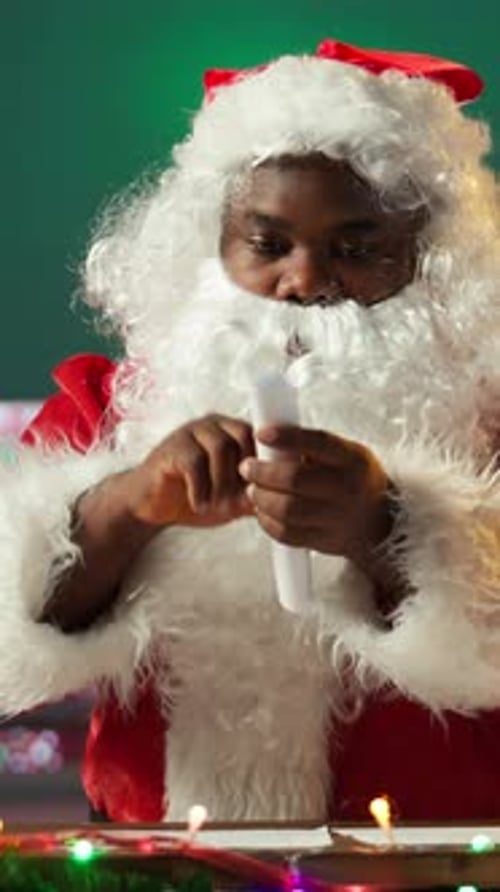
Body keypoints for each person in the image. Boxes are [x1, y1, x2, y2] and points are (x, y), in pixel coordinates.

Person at [4, 38, 500, 824]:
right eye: (267, 245)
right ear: (213, 243)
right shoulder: (108, 409)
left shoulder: (490, 427)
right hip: (163, 869)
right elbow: (12, 635)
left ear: (431, 259)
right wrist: (130, 505)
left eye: (358, 248)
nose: (303, 282)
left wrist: (388, 529)